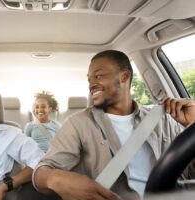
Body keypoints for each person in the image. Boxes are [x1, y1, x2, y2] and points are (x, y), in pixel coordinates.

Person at [33, 50, 195, 200]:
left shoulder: (162, 119)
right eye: (89, 79)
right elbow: (42, 171)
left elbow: (188, 171)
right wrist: (54, 179)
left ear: (124, 76)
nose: (91, 84)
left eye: (98, 76)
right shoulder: (78, 123)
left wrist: (192, 123)